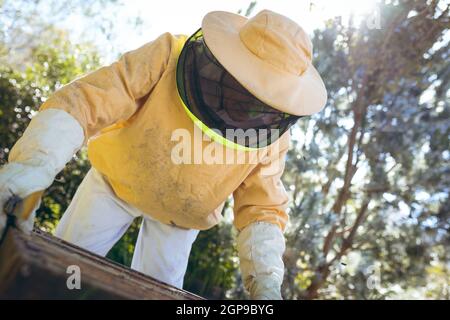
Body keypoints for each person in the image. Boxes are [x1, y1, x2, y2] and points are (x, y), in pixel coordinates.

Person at [0, 9, 326, 299]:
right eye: (243, 86)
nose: (246, 102)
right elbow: (88, 100)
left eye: (260, 95)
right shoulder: (169, 54)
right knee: (63, 270)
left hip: (180, 221)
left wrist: (266, 283)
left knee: (158, 294)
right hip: (114, 184)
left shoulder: (272, 138)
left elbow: (262, 208)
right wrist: (34, 165)